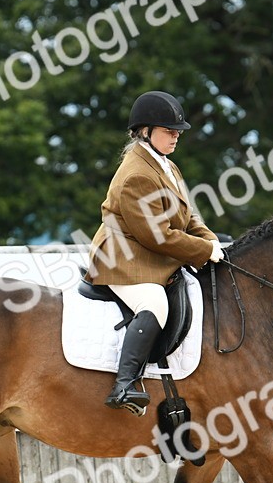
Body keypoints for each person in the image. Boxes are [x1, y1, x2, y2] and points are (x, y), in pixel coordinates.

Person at [85, 90, 224, 414]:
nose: (176, 136)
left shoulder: (167, 166)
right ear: (145, 131)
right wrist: (203, 251)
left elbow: (189, 217)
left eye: (177, 131)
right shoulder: (136, 174)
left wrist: (212, 242)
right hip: (124, 259)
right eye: (168, 130)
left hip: (149, 252)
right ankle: (124, 384)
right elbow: (158, 237)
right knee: (154, 303)